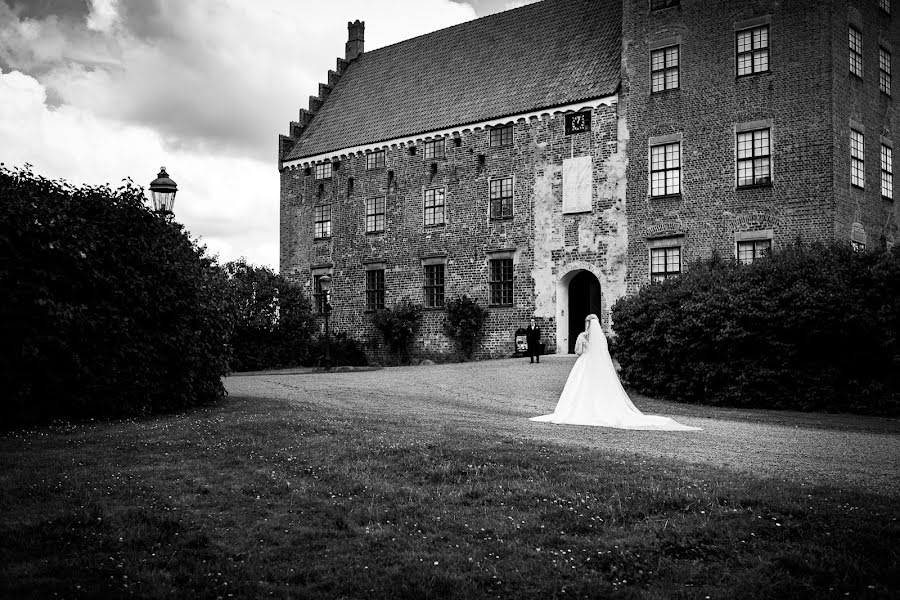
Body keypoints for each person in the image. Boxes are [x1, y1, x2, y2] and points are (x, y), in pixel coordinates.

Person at [530, 314, 701, 430]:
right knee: (597, 385)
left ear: (587, 323)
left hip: (584, 364)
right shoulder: (601, 338)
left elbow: (578, 352)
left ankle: (582, 408)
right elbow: (604, 354)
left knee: (581, 386)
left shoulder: (582, 336)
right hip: (596, 365)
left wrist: (581, 346)